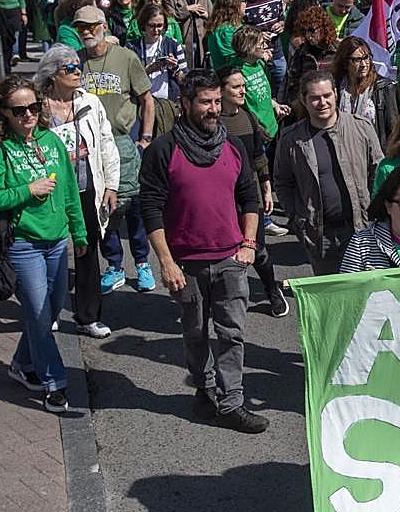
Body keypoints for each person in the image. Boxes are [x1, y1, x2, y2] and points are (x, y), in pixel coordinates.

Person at [139, 70, 269, 433]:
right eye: (205, 102)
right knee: (195, 333)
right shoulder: (164, 150)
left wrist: (248, 243)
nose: (213, 109)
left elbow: (249, 198)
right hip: (186, 263)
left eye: (216, 101)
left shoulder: (233, 147)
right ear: (185, 104)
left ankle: (231, 403)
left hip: (230, 260)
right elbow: (150, 207)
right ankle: (204, 387)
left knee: (232, 333)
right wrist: (165, 262)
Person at [0, 76, 87, 414]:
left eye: (34, 107)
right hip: (23, 244)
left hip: (56, 242)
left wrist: (78, 234)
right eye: (19, 110)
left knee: (46, 313)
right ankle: (55, 383)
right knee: (38, 315)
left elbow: (68, 193)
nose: (28, 115)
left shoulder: (51, 142)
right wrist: (26, 191)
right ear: (3, 112)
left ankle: (22, 363)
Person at [37, 45, 120, 339]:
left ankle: (88, 317)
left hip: (87, 188)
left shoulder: (90, 103)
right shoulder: (38, 108)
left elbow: (107, 143)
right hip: (50, 193)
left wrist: (111, 184)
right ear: (52, 74)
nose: (77, 72)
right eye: (69, 68)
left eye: (77, 67)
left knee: (87, 252)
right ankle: (49, 311)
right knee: (51, 252)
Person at [75, 4, 157, 294]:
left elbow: (147, 99)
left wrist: (145, 138)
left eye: (91, 26)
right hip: (90, 147)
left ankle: (143, 263)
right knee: (103, 208)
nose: (86, 32)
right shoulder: (76, 63)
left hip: (123, 142)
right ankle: (114, 266)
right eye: (80, 27)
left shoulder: (126, 58)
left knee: (133, 205)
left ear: (104, 26)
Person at [273, 70, 383, 274]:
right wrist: (298, 218)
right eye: (314, 98)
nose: (322, 102)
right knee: (331, 297)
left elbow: (378, 173)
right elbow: (282, 182)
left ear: (336, 94)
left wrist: (375, 213)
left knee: (367, 296)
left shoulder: (362, 128)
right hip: (320, 235)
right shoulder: (291, 139)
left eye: (326, 96)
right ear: (304, 101)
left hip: (361, 229)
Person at [216, 65, 287, 316]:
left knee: (257, 248)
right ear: (221, 91)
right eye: (236, 87)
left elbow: (258, 156)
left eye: (243, 86)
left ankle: (272, 291)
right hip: (222, 197)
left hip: (250, 195)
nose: (242, 91)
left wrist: (266, 188)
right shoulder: (214, 123)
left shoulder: (248, 117)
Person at [330, 36, 397, 148]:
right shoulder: (335, 87)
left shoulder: (383, 87)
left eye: (366, 58)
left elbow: (393, 128)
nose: (364, 64)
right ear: (345, 63)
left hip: (374, 152)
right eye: (357, 60)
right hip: (343, 149)